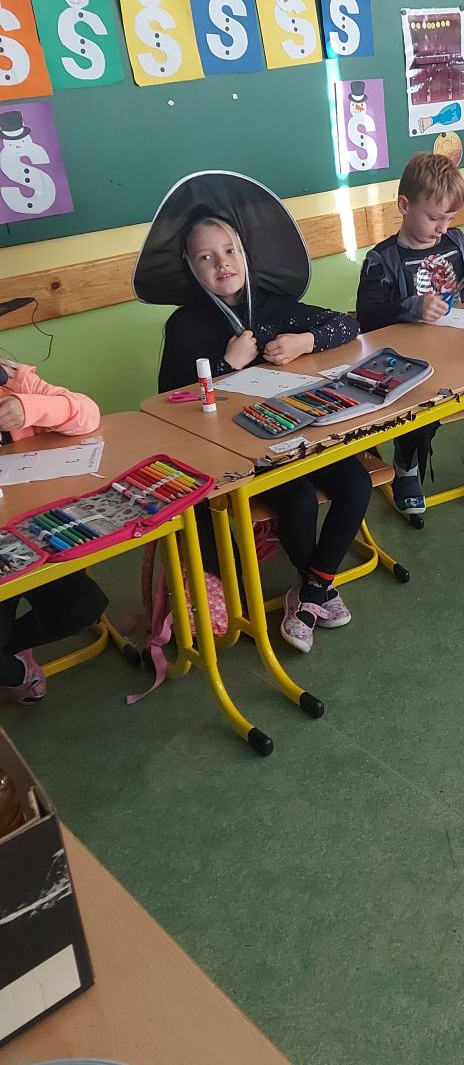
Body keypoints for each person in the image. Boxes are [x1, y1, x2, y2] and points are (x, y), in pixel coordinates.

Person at [134, 172, 372, 654]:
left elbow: (346, 324)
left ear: (245, 254)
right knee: (299, 501)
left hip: (299, 431)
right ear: (191, 268)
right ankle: (317, 589)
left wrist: (305, 340)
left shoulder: (274, 307)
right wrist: (226, 365)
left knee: (356, 483)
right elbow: (168, 404)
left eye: (229, 251)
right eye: (206, 257)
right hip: (240, 451)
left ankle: (313, 589)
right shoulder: (184, 326)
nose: (222, 263)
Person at [355, 152, 464, 512]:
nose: (442, 228)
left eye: (449, 218)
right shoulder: (382, 259)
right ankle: (406, 468)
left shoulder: (459, 243)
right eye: (434, 218)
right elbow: (367, 317)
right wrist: (411, 307)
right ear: (404, 206)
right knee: (420, 410)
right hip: (414, 365)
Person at [0, 356, 108, 703]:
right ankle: (14, 671)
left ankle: (13, 649)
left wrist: (28, 406)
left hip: (27, 536)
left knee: (84, 606)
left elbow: (88, 414)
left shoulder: (15, 383)